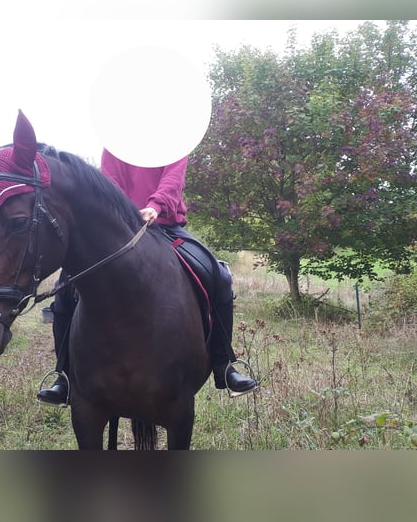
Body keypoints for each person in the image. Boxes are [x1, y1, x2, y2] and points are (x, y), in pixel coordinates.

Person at [37, 149, 258, 406]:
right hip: (119, 227)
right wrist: (123, 212)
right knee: (64, 284)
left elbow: (173, 181)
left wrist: (155, 206)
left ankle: (224, 364)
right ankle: (63, 374)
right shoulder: (115, 143)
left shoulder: (173, 140)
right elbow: (109, 183)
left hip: (164, 224)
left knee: (219, 275)